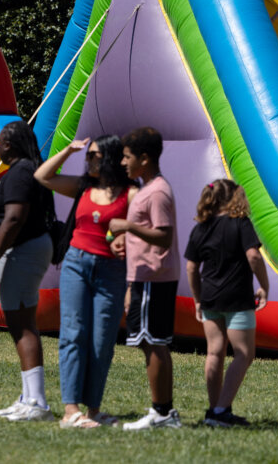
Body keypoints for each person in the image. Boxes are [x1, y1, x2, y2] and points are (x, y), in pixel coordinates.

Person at [35, 135, 136, 429]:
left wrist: (126, 238)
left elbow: (144, 229)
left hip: (112, 271)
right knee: (73, 333)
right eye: (88, 155)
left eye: (95, 155)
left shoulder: (129, 193)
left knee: (102, 340)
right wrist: (69, 149)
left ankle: (93, 411)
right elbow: (43, 176)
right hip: (76, 265)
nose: (89, 160)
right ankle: (70, 410)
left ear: (111, 159)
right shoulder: (82, 187)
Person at [0, 120, 55, 422]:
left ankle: (37, 402)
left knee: (22, 325)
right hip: (24, 251)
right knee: (22, 324)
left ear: (8, 145)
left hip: (21, 252)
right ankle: (28, 397)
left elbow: (14, 218)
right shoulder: (22, 170)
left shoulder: (21, 171)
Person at [110, 127, 182, 430]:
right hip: (143, 277)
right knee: (149, 342)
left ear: (145, 157)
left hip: (155, 276)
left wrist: (127, 226)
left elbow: (163, 237)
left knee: (154, 342)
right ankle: (162, 410)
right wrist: (125, 239)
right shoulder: (147, 188)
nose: (123, 163)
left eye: (127, 157)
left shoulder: (157, 192)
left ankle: (162, 412)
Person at [184, 179, 269, 428]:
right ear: (234, 197)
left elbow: (191, 267)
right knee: (244, 353)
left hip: (210, 297)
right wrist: (264, 285)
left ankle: (215, 410)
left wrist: (198, 298)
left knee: (214, 352)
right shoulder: (240, 223)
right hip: (238, 298)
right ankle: (221, 410)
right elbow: (253, 255)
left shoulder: (201, 227)